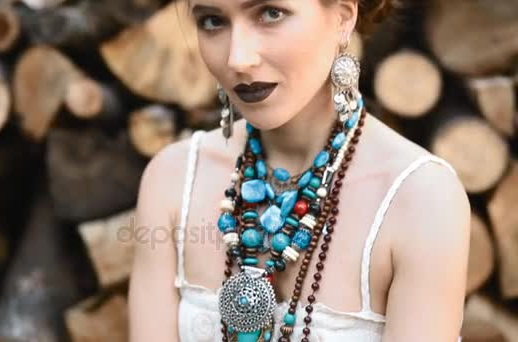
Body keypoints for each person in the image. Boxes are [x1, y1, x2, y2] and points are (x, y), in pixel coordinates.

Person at [129, 0, 471, 341]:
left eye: (270, 13)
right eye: (213, 21)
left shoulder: (421, 200)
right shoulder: (173, 179)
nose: (238, 58)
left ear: (343, 15)